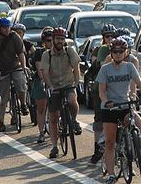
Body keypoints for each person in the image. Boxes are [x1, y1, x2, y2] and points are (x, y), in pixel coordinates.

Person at [97, 37, 141, 184]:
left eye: (121, 51)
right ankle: (111, 175)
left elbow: (139, 82)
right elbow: (101, 91)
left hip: (125, 106)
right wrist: (106, 101)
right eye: (115, 51)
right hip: (110, 108)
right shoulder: (105, 69)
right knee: (109, 142)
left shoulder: (129, 67)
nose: (118, 54)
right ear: (111, 53)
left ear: (126, 52)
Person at [41, 27, 82, 159]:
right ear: (53, 40)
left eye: (62, 39)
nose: (60, 41)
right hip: (54, 87)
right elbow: (45, 72)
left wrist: (76, 82)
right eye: (58, 39)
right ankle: (54, 146)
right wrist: (50, 86)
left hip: (67, 84)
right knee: (53, 118)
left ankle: (74, 120)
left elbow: (76, 67)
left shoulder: (70, 51)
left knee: (72, 101)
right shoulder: (46, 55)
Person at [0, 17, 28, 133]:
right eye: (4, 28)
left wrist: (24, 66)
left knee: (21, 82)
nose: (7, 30)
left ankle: (23, 104)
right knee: (1, 97)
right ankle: (2, 122)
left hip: (14, 66)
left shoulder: (14, 37)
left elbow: (21, 53)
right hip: (0, 69)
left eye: (8, 27)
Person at [89, 23, 116, 164]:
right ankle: (97, 151)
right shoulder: (102, 50)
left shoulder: (122, 49)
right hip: (100, 88)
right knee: (100, 119)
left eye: (113, 36)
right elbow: (101, 67)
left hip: (117, 89)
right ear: (103, 38)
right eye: (108, 36)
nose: (110, 39)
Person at [31, 27, 54, 143]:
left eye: (53, 40)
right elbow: (40, 70)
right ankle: (41, 133)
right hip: (42, 81)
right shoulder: (39, 53)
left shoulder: (60, 51)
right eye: (49, 40)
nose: (51, 43)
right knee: (41, 108)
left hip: (56, 80)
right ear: (44, 42)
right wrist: (43, 80)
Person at [13, 23, 36, 115]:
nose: (18, 34)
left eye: (20, 32)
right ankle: (14, 112)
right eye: (16, 32)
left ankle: (26, 103)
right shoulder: (11, 44)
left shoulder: (26, 43)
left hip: (26, 67)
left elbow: (34, 52)